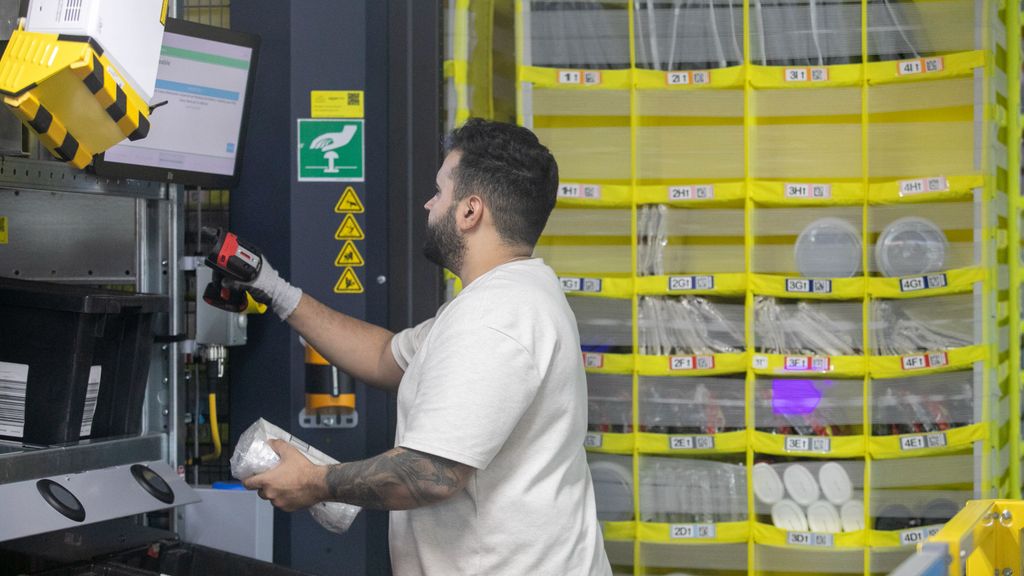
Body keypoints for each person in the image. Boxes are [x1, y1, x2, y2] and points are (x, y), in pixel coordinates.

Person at [239, 118, 612, 575]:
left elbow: (430, 475)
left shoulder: (494, 318)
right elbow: (385, 355)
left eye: (440, 191)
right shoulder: (515, 294)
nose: (428, 203)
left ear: (469, 211)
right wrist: (273, 288)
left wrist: (313, 482)